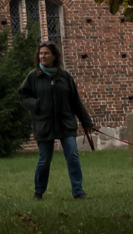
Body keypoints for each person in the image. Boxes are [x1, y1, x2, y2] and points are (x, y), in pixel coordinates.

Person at [17, 41, 95, 200]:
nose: (43, 56)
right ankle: (38, 192)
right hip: (44, 124)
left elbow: (75, 101)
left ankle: (78, 191)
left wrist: (86, 122)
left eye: (46, 53)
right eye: (40, 53)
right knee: (44, 160)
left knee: (72, 156)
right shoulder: (33, 76)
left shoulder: (64, 76)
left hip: (65, 124)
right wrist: (36, 104)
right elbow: (22, 96)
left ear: (54, 56)